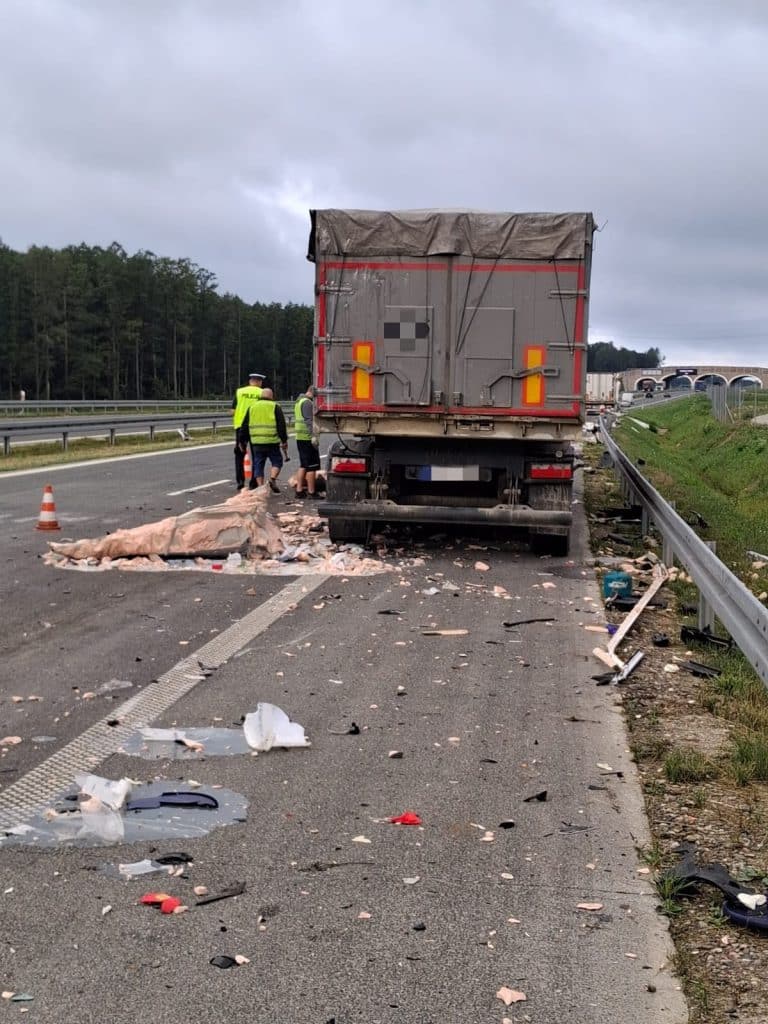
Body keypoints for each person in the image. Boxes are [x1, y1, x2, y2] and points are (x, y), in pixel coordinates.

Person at [249, 387, 288, 492]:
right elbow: (281, 425)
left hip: (256, 442)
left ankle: (261, 486)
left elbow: (245, 424)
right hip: (272, 441)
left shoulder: (252, 406)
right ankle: (272, 478)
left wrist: (242, 440)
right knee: (277, 461)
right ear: (271, 396)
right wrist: (284, 440)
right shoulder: (275, 406)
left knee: (258, 464)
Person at [232, 372, 264, 490]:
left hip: (240, 427)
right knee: (257, 454)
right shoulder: (262, 393)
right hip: (256, 427)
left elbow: (232, 410)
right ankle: (254, 482)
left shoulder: (240, 392)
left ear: (250, 381)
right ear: (259, 382)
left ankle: (240, 482)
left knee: (239, 454)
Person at [293, 385, 323, 499]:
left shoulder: (299, 401)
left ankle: (299, 490)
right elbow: (309, 421)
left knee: (304, 465)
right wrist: (313, 436)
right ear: (312, 392)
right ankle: (311, 492)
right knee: (312, 466)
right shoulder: (307, 403)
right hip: (307, 438)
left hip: (301, 437)